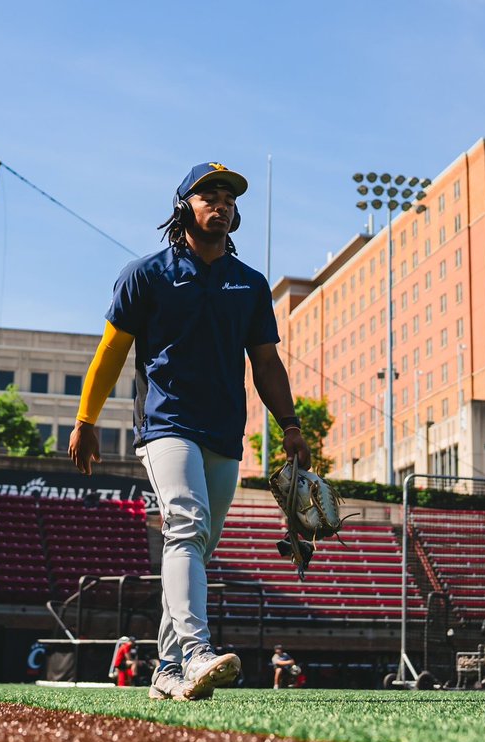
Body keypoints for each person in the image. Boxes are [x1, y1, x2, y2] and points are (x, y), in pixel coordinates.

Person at [69, 162, 310, 703]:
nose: (220, 204)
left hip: (225, 432)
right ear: (184, 205)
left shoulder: (249, 285)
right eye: (208, 195)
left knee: (195, 546)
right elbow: (111, 352)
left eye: (227, 197)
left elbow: (267, 363)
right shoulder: (145, 273)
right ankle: (198, 651)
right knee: (186, 523)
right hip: (165, 424)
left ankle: (167, 669)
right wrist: (87, 420)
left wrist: (290, 425)